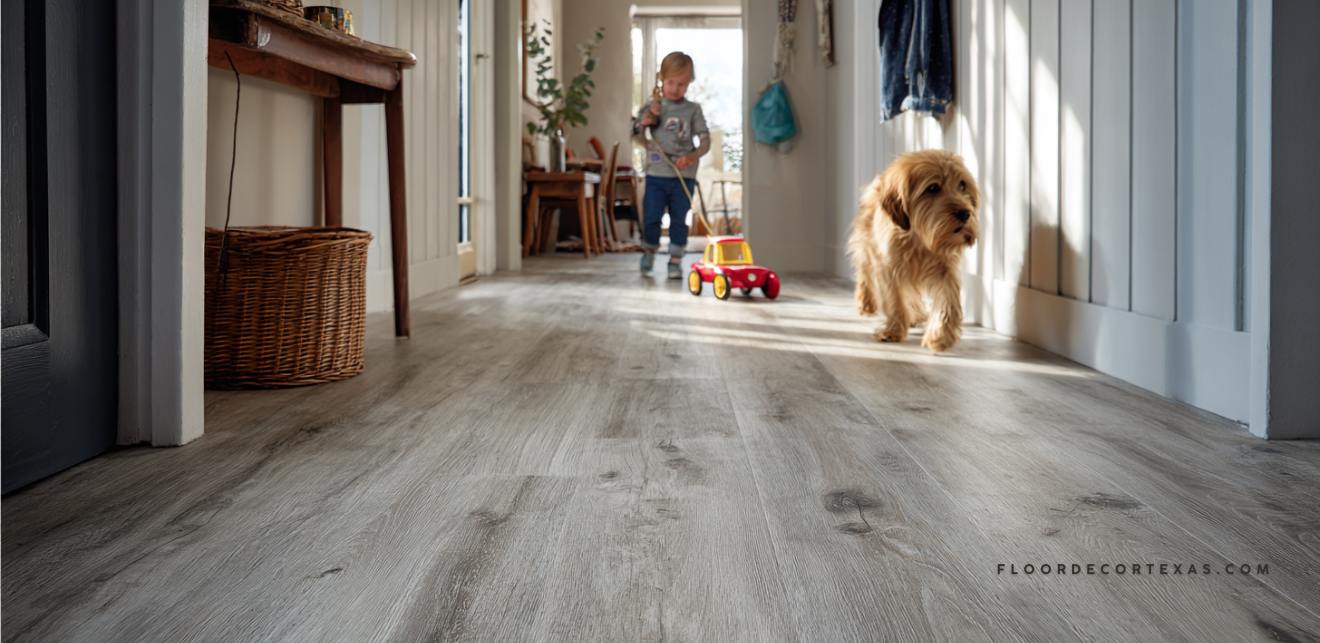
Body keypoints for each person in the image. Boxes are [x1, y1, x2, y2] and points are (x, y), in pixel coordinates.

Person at [631, 51, 711, 279]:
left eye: (682, 84)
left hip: (683, 176)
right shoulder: (652, 106)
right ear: (661, 80)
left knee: (679, 217)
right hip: (656, 174)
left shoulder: (693, 110)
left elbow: (705, 140)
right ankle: (649, 250)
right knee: (652, 215)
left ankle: (675, 260)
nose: (675, 88)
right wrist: (645, 123)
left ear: (689, 83)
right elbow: (636, 135)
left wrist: (693, 156)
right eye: (670, 83)